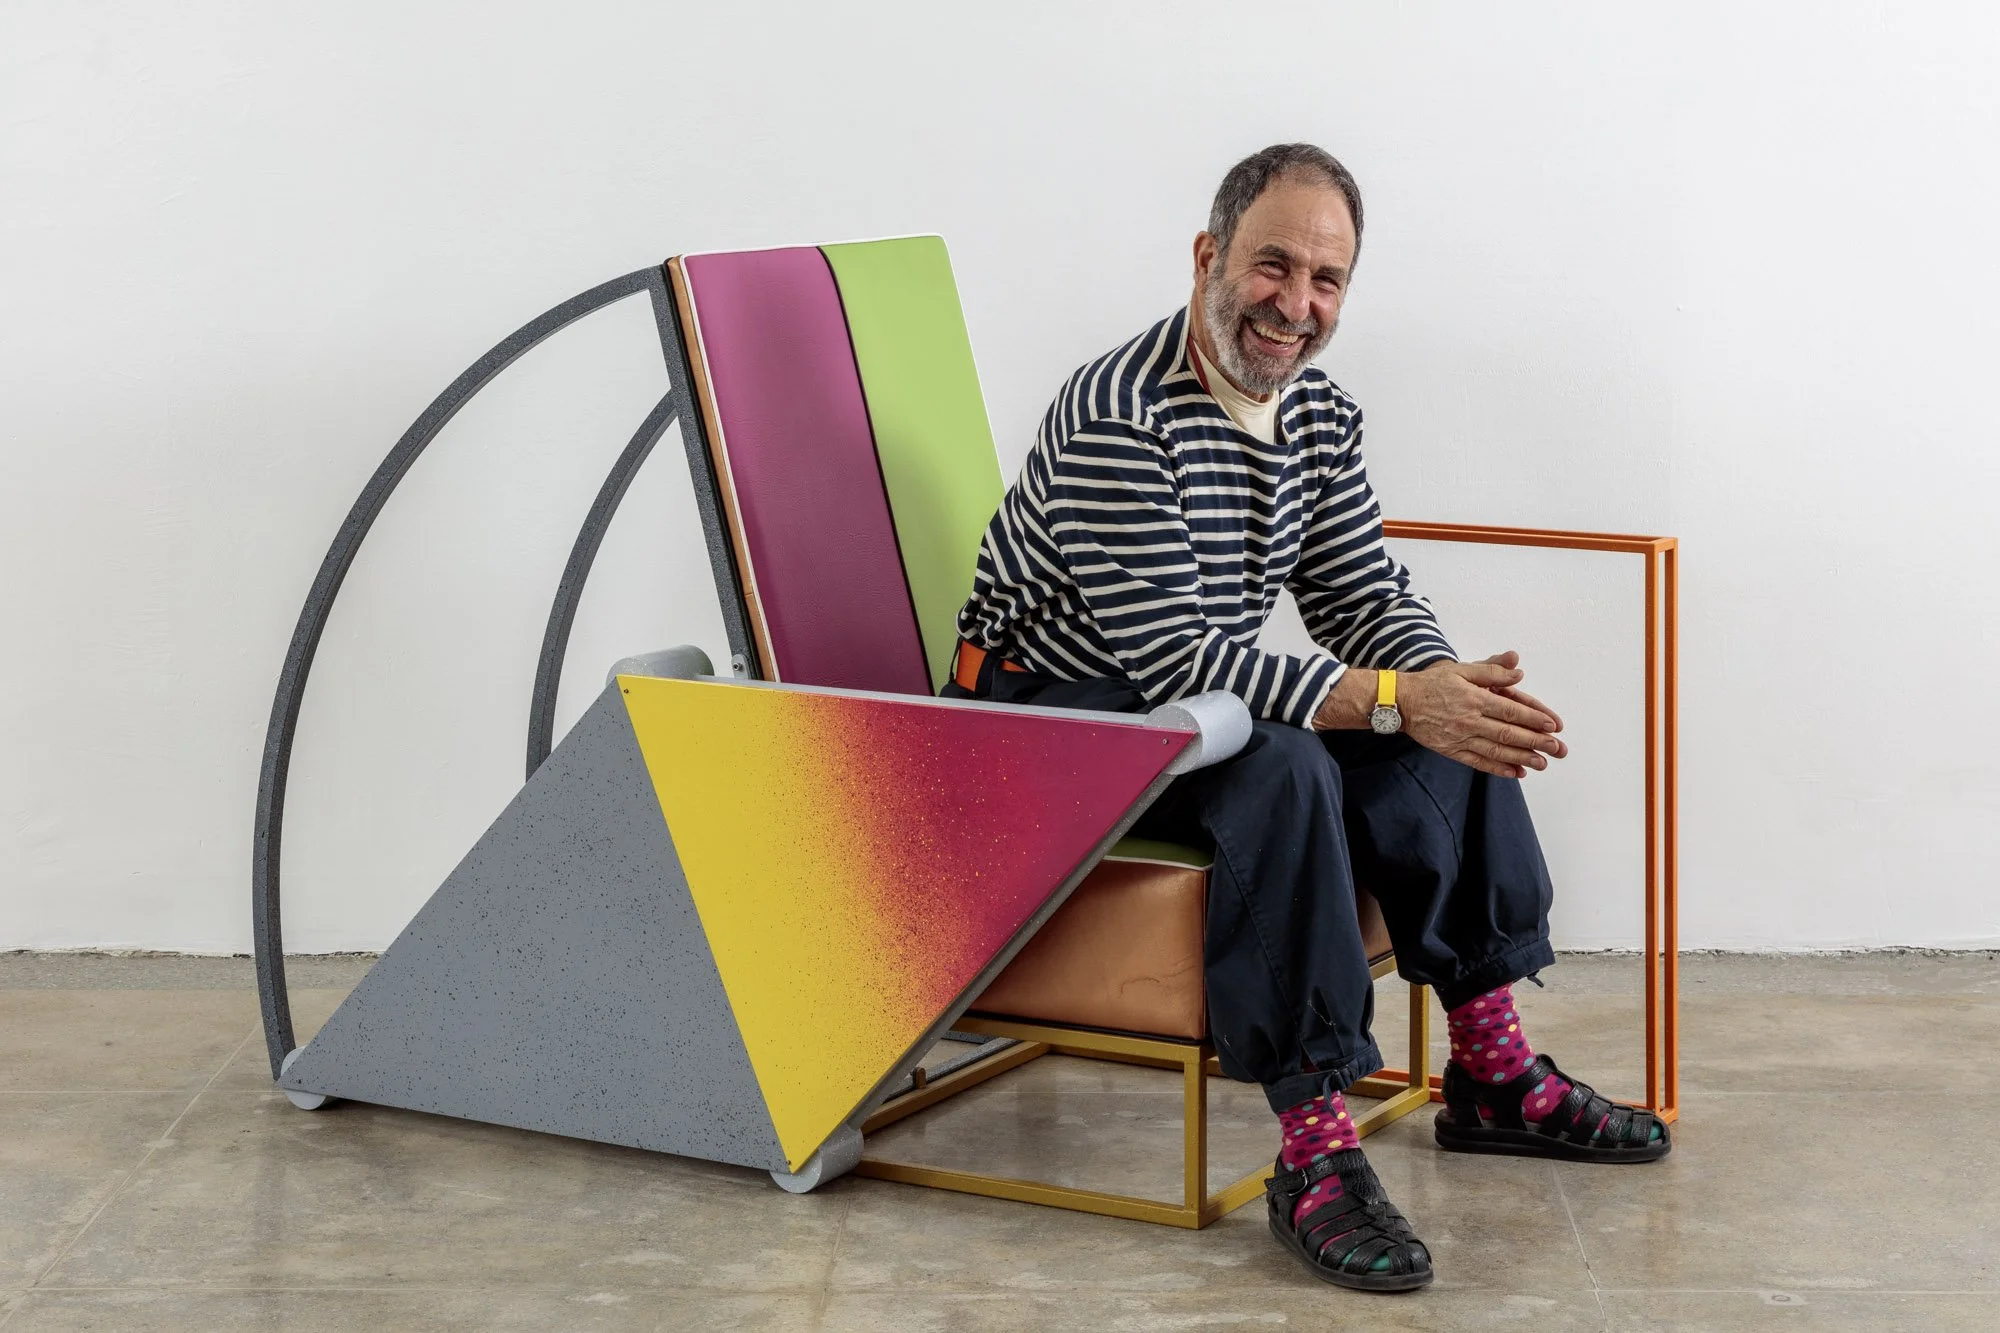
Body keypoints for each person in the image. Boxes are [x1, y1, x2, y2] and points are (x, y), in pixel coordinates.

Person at [945, 143, 1668, 1293]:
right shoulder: (1113, 415)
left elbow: (1355, 591)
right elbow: (1175, 656)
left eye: (1324, 279)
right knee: (1286, 763)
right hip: (1043, 715)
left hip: (1191, 699)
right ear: (1207, 258)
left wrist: (1437, 690)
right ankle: (1315, 1154)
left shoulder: (1317, 412)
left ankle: (1487, 1074)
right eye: (1271, 266)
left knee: (1445, 717)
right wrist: (1395, 699)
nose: (1294, 304)